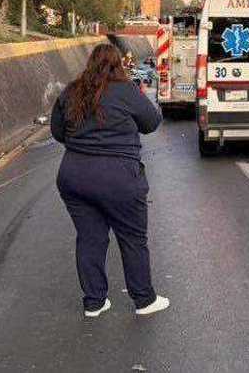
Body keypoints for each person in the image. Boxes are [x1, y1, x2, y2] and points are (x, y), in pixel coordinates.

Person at [51, 43, 170, 318]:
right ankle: (144, 300)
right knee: (132, 238)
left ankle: (94, 302)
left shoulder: (71, 91)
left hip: (74, 176)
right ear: (118, 65)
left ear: (90, 63)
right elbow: (151, 122)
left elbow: (58, 132)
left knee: (90, 238)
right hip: (118, 178)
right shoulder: (125, 90)